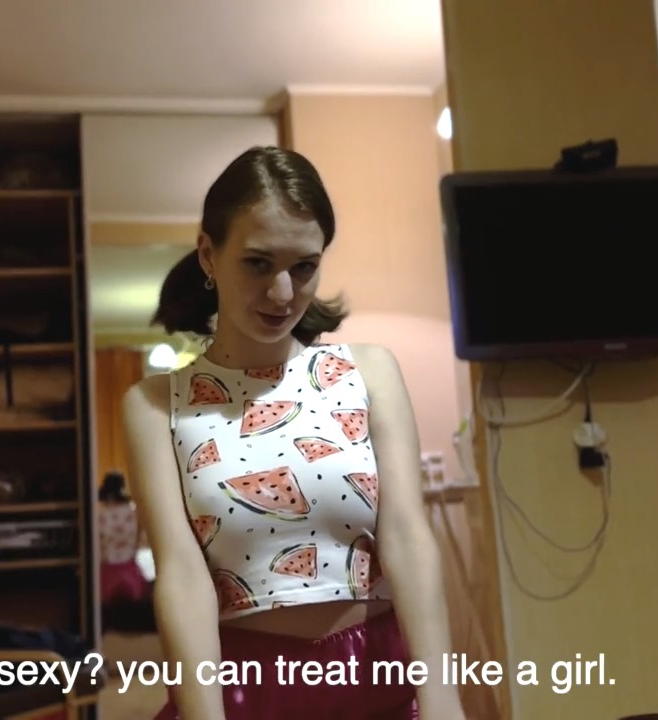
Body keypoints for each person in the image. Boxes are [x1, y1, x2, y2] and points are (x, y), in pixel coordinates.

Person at [121, 146, 466, 720]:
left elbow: (407, 535)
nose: (283, 293)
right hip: (241, 691)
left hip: (375, 680)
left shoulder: (368, 371)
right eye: (258, 263)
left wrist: (442, 697)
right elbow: (181, 576)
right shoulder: (156, 404)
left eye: (304, 267)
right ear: (208, 255)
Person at [97, 471, 148, 607]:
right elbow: (140, 540)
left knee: (107, 612)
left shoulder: (102, 516)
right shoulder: (133, 514)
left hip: (107, 571)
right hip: (130, 569)